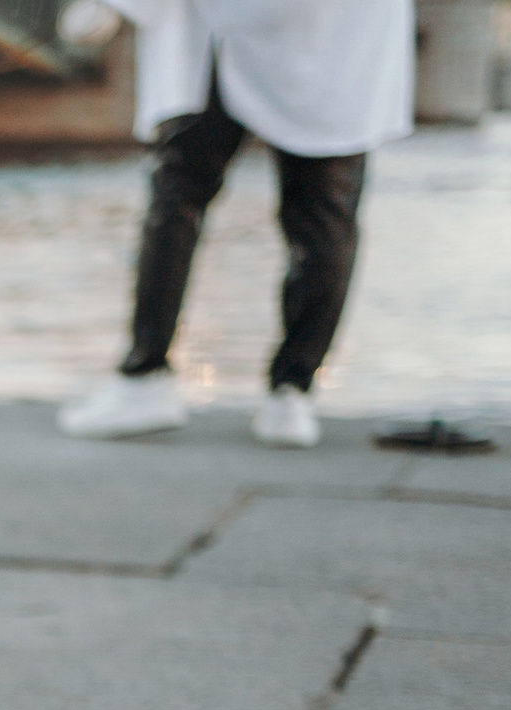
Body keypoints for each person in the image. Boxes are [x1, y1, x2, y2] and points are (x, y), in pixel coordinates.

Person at [56, 0, 414, 449]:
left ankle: (145, 376)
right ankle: (292, 392)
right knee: (325, 221)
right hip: (341, 37)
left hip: (233, 26)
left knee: (178, 200)